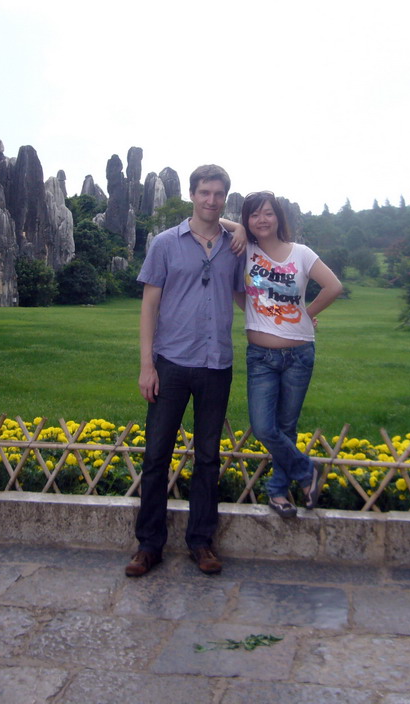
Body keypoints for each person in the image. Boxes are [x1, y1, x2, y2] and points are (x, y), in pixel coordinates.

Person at [126, 164, 245, 578]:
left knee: (208, 458)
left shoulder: (236, 246)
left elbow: (252, 298)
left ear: (224, 199)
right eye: (204, 193)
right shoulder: (165, 243)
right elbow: (149, 305)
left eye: (218, 194)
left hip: (217, 365)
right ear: (192, 195)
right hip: (171, 363)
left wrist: (293, 319)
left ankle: (201, 542)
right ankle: (149, 545)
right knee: (156, 455)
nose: (211, 201)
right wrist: (147, 365)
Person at [225, 191, 343, 518]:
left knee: (286, 428)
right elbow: (215, 222)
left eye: (268, 213)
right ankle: (307, 472)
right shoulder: (245, 251)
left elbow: (333, 286)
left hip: (299, 354)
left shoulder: (301, 254)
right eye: (253, 215)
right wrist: (237, 228)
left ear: (278, 217)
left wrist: (306, 312)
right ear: (247, 220)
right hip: (261, 357)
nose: (261, 220)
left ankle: (278, 492)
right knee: (264, 428)